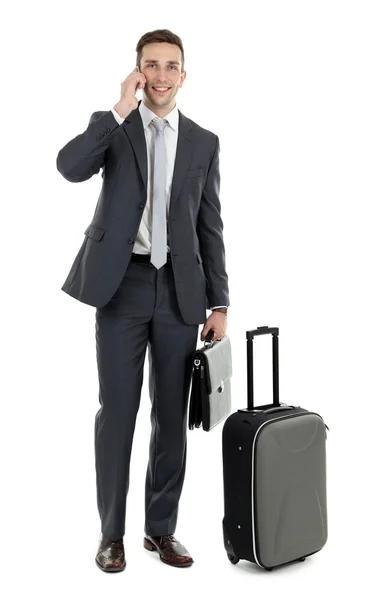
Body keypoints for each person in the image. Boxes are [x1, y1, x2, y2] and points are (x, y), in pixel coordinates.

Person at [56, 28, 230, 572]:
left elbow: (211, 226)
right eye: (150, 65)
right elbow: (68, 166)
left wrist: (219, 302)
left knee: (171, 416)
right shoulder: (116, 128)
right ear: (137, 72)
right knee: (118, 413)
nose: (159, 75)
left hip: (181, 292)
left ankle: (161, 530)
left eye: (169, 66)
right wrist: (116, 107)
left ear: (184, 74)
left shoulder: (204, 141)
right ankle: (112, 534)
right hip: (122, 286)